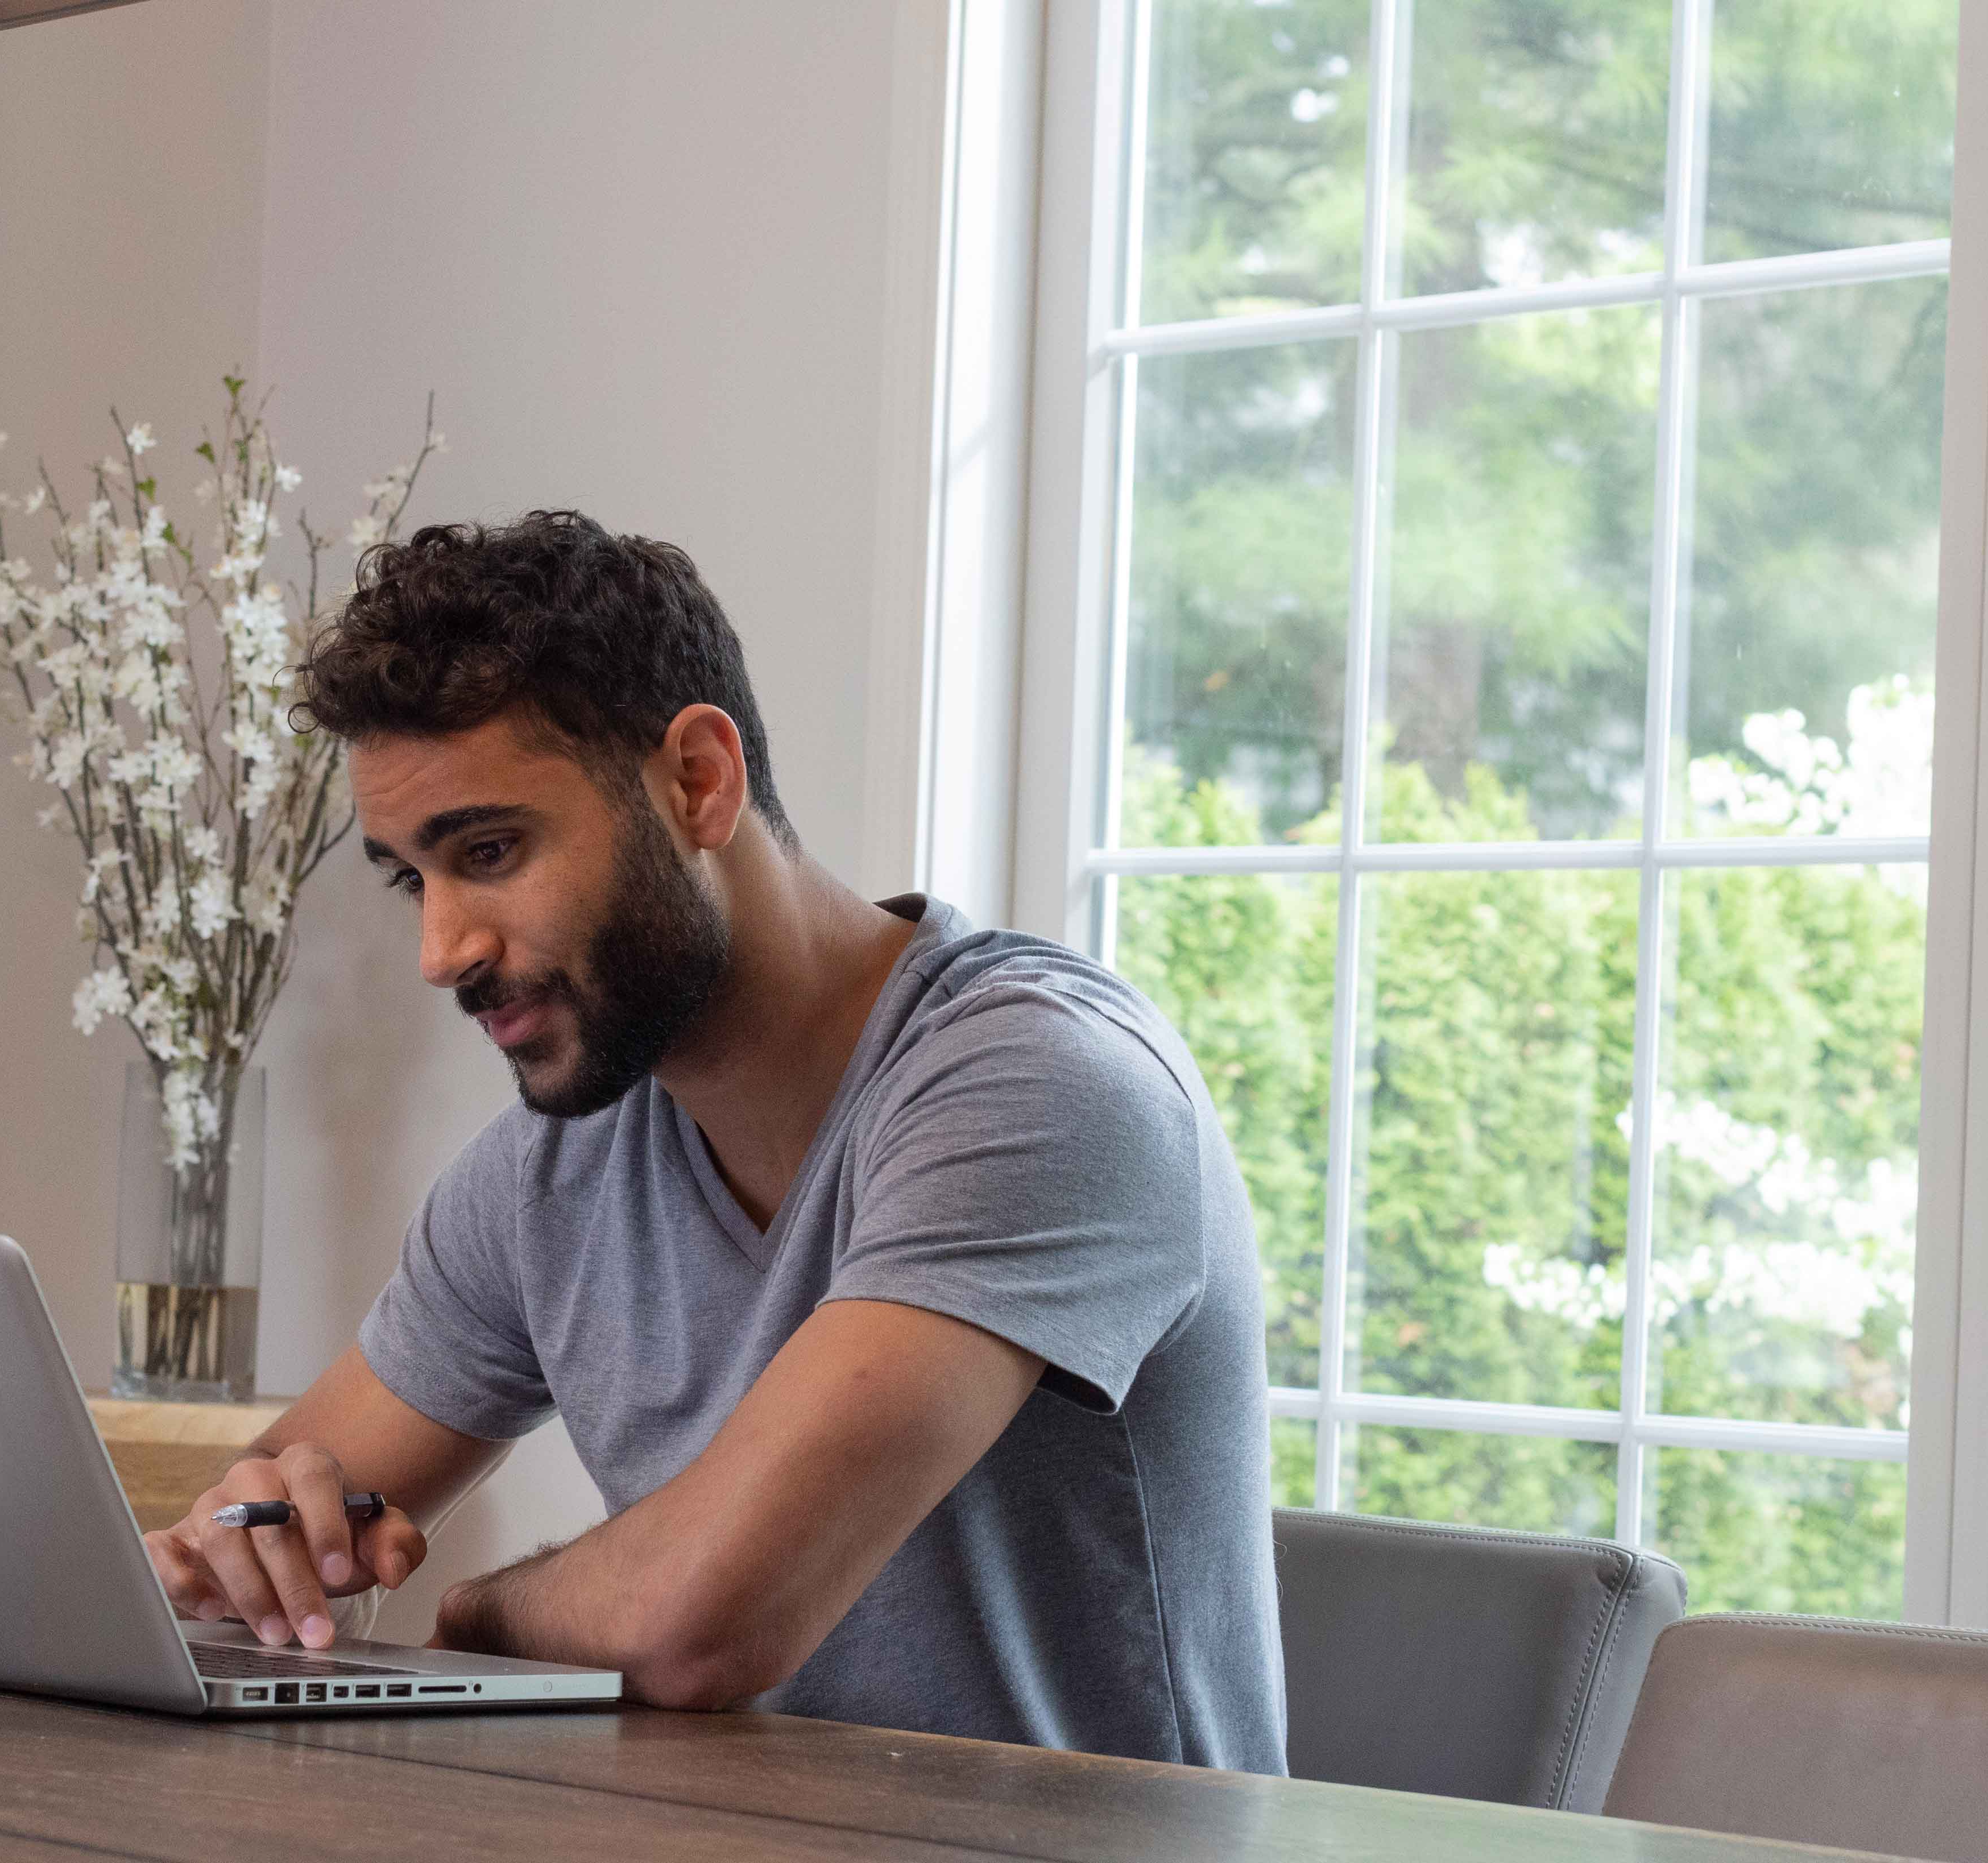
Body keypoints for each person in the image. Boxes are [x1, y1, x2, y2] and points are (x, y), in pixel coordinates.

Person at [143, 511, 1281, 1771]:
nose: (442, 949)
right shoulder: (554, 1170)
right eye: (418, 878)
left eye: (491, 851)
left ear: (698, 780)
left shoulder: (1035, 1083)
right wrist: (249, 1545)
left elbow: (696, 1629)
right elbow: (224, 1546)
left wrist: (475, 1615)